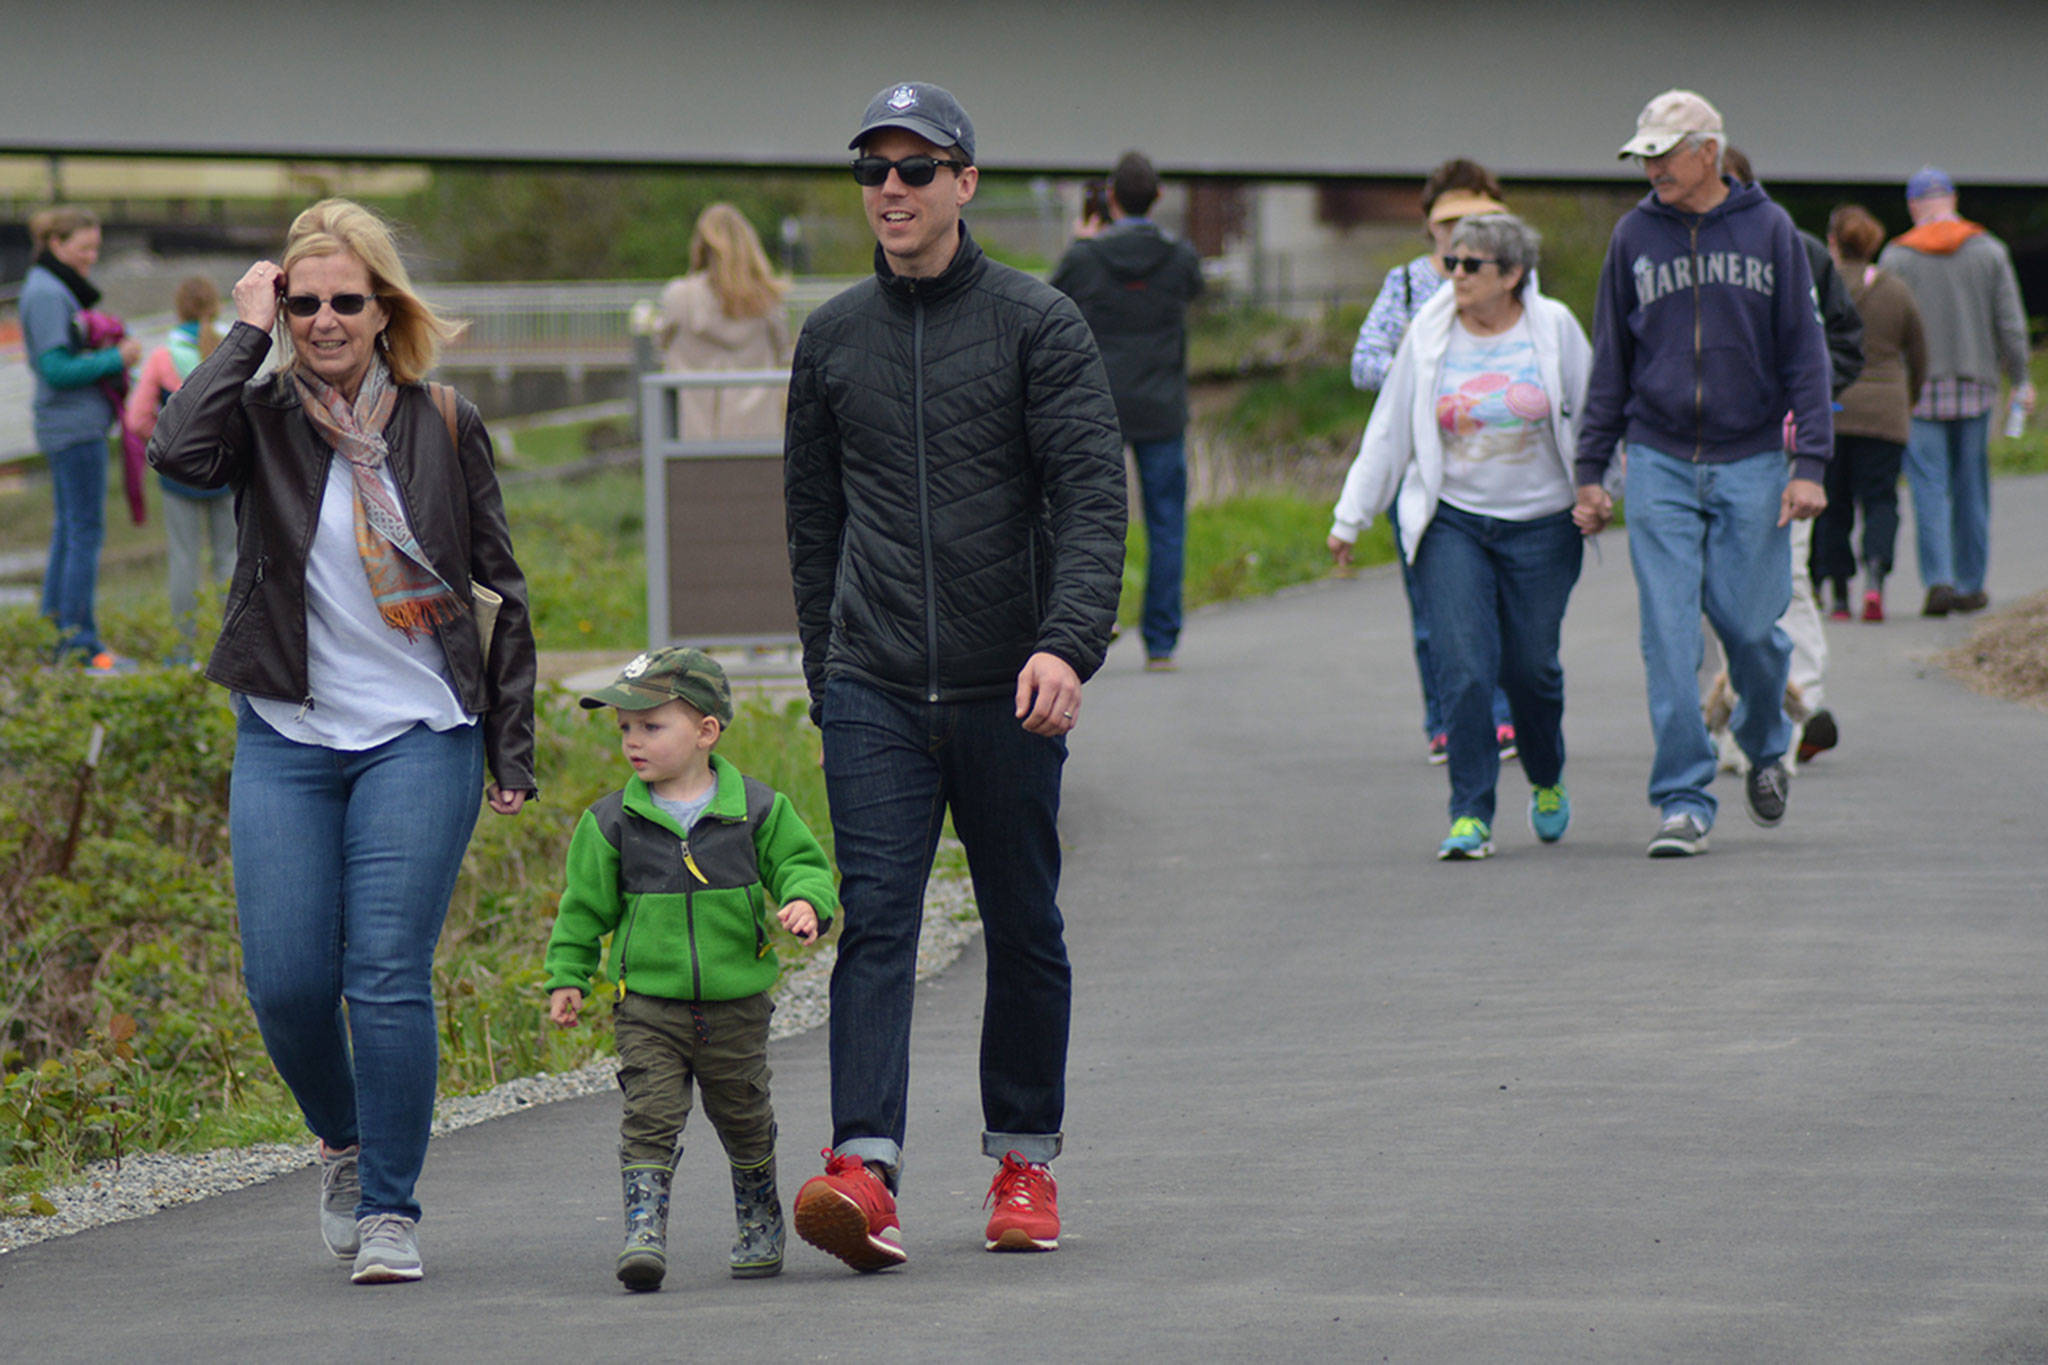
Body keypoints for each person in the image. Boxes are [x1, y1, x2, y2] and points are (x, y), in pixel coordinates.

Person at [147, 198, 537, 1285]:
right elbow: (176, 453)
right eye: (303, 302)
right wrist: (241, 332)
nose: (323, 319)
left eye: (343, 302)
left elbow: (499, 589)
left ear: (382, 310)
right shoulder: (260, 418)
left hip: (420, 731)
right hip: (287, 731)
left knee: (385, 974)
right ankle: (344, 1141)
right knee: (280, 981)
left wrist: (513, 746)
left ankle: (390, 1210)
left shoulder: (445, 421)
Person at [782, 80, 1125, 1270]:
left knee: (1020, 920)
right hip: (873, 680)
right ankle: (863, 1171)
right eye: (872, 169)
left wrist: (1065, 642)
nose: (890, 188)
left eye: (915, 168)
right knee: (874, 923)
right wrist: (829, 676)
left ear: (963, 184)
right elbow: (811, 525)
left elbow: (1090, 496)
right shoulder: (829, 338)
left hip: (1006, 683)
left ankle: (1023, 1159)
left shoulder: (1039, 325)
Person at [1572, 90, 1832, 859]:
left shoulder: (1771, 231)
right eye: (1643, 155)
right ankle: (1683, 798)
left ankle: (1761, 738)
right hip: (1656, 459)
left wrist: (1809, 462)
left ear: (1708, 153)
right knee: (1668, 633)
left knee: (1751, 628)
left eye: (1664, 153)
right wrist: (1594, 468)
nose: (1651, 167)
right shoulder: (1632, 238)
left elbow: (1805, 356)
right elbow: (1610, 363)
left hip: (1751, 456)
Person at [545, 647, 837, 1291]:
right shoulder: (611, 823)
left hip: (736, 1003)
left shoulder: (756, 810)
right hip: (648, 1004)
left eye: (651, 726)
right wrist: (567, 975)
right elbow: (582, 910)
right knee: (648, 1113)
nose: (632, 742)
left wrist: (803, 902)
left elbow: (804, 866)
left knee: (743, 1113)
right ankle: (644, 1233)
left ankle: (759, 1216)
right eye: (624, 728)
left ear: (706, 731)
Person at [1328, 213, 1593, 859]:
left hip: (1543, 523)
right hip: (1452, 521)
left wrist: (1600, 486)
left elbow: (1594, 412)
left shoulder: (1554, 327)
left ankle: (1547, 775)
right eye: (1453, 261)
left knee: (1531, 670)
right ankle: (1470, 812)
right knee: (1465, 668)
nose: (1457, 274)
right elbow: (1390, 427)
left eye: (1473, 265)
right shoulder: (1430, 331)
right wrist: (1350, 516)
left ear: (1512, 274)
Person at [1349, 160, 1518, 763]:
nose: (1459, 232)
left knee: (1498, 604)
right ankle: (1444, 721)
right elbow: (1364, 362)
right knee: (1432, 610)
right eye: (1448, 220)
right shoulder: (1405, 286)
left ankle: (1499, 716)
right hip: (1422, 471)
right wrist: (1421, 378)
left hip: (1501, 468)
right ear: (1430, 225)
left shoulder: (1513, 284)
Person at [1720, 145, 1865, 766]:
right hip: (1709, 445)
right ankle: (1746, 710)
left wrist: (1805, 395)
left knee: (1789, 576)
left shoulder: (1800, 250)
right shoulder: (1683, 253)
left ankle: (1802, 705)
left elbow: (1847, 340)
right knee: (1721, 591)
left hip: (1783, 447)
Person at [1049, 149, 1204, 671]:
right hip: (1162, 407)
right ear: (1158, 198)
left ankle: (1097, 619)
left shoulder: (1084, 258)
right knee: (1166, 524)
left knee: (1089, 517)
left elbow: (1048, 305)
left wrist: (1083, 240)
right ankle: (1160, 644)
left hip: (1097, 406)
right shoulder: (1180, 258)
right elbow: (1196, 291)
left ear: (1110, 198)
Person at [1877, 166, 2033, 616]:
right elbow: (2011, 324)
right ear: (1954, 198)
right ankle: (1970, 582)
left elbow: (1887, 330)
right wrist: (2020, 378)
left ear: (1912, 206)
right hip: (1976, 385)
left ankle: (1939, 579)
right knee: (1972, 488)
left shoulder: (1896, 258)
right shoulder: (1989, 252)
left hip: (1919, 390)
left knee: (1928, 487)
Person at [19, 205, 142, 671]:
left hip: (69, 427)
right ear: (56, 244)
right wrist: (118, 358)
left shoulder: (45, 286)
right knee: (84, 534)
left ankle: (54, 633)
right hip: (74, 429)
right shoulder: (50, 293)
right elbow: (53, 368)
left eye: (95, 246)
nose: (92, 256)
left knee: (69, 532)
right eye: (84, 247)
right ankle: (82, 645)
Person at [1818, 204, 1927, 623]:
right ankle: (1876, 580)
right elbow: (1919, 351)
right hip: (1885, 413)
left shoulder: (1822, 285)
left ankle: (1839, 594)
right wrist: (1909, 397)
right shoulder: (1896, 289)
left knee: (1833, 502)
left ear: (1833, 242)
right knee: (1880, 499)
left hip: (1833, 408)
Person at [125, 276, 238, 661]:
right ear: (216, 305)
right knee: (229, 558)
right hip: (226, 472)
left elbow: (137, 417)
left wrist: (168, 441)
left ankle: (184, 652)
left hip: (178, 478)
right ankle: (232, 649)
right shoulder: (231, 348)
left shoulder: (162, 356)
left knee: (184, 559)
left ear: (178, 307)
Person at [659, 203, 792, 440]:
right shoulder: (769, 303)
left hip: (691, 439)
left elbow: (660, 344)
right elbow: (784, 352)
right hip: (758, 439)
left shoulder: (679, 298)